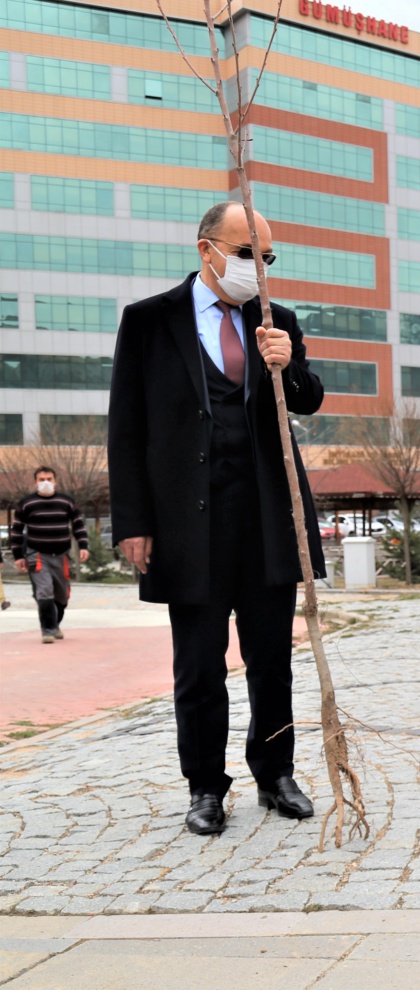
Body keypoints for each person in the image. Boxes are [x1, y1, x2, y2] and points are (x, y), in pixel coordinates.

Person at [107, 201, 323, 837]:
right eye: (247, 254)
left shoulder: (276, 320)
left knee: (271, 661)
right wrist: (133, 523)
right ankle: (204, 786)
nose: (260, 268)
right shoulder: (149, 321)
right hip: (187, 526)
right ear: (207, 250)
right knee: (199, 666)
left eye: (269, 257)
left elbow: (307, 400)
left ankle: (275, 772)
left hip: (265, 519)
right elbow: (126, 429)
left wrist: (290, 363)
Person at [8, 465, 90, 643]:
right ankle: (48, 630)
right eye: (41, 480)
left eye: (49, 479)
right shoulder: (26, 503)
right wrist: (18, 556)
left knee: (62, 596)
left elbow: (78, 525)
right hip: (37, 554)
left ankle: (55, 623)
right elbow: (16, 531)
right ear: (35, 482)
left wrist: (83, 545)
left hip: (62, 555)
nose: (45, 483)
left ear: (55, 481)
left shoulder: (67, 501)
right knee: (44, 592)